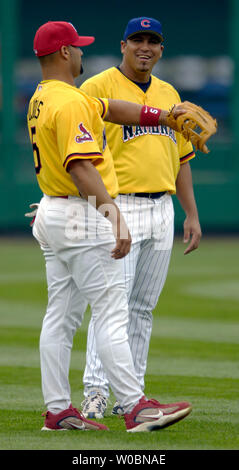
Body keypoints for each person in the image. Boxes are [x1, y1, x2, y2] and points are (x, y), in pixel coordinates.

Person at [27, 20, 192, 432]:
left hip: (54, 208)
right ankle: (136, 407)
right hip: (82, 213)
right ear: (65, 53)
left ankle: (58, 410)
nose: (83, 53)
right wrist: (114, 217)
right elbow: (81, 166)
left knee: (61, 316)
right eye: (78, 47)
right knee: (112, 311)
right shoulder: (71, 102)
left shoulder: (46, 96)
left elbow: (114, 109)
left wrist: (163, 116)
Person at [79, 17, 202, 419]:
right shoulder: (97, 87)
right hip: (121, 205)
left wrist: (191, 213)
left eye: (153, 41)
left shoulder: (170, 93)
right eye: (138, 40)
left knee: (143, 308)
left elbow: (182, 158)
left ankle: (131, 396)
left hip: (162, 208)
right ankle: (95, 391)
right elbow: (77, 150)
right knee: (111, 303)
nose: (145, 46)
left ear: (162, 49)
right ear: (123, 45)